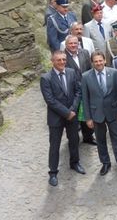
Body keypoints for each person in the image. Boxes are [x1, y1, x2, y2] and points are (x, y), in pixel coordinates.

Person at [81, 51, 117, 177]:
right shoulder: (86, 77)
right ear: (92, 63)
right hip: (97, 113)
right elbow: (85, 98)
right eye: (96, 61)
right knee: (100, 140)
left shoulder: (114, 73)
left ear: (105, 61)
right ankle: (105, 163)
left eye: (100, 60)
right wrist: (88, 118)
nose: (98, 63)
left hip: (113, 112)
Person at [40, 50, 85, 186]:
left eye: (64, 60)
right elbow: (50, 100)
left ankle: (74, 163)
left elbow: (78, 91)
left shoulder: (71, 72)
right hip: (56, 118)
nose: (62, 62)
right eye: (58, 60)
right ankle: (53, 172)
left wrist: (73, 110)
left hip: (72, 115)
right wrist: (66, 113)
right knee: (55, 145)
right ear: (52, 61)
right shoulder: (46, 78)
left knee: (74, 140)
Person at [63, 35, 95, 145]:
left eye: (75, 43)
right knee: (73, 114)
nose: (73, 45)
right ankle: (73, 139)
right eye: (70, 43)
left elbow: (90, 69)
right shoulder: (63, 56)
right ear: (66, 45)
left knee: (87, 112)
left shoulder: (85, 53)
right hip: (71, 90)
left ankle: (88, 136)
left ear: (78, 44)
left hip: (86, 88)